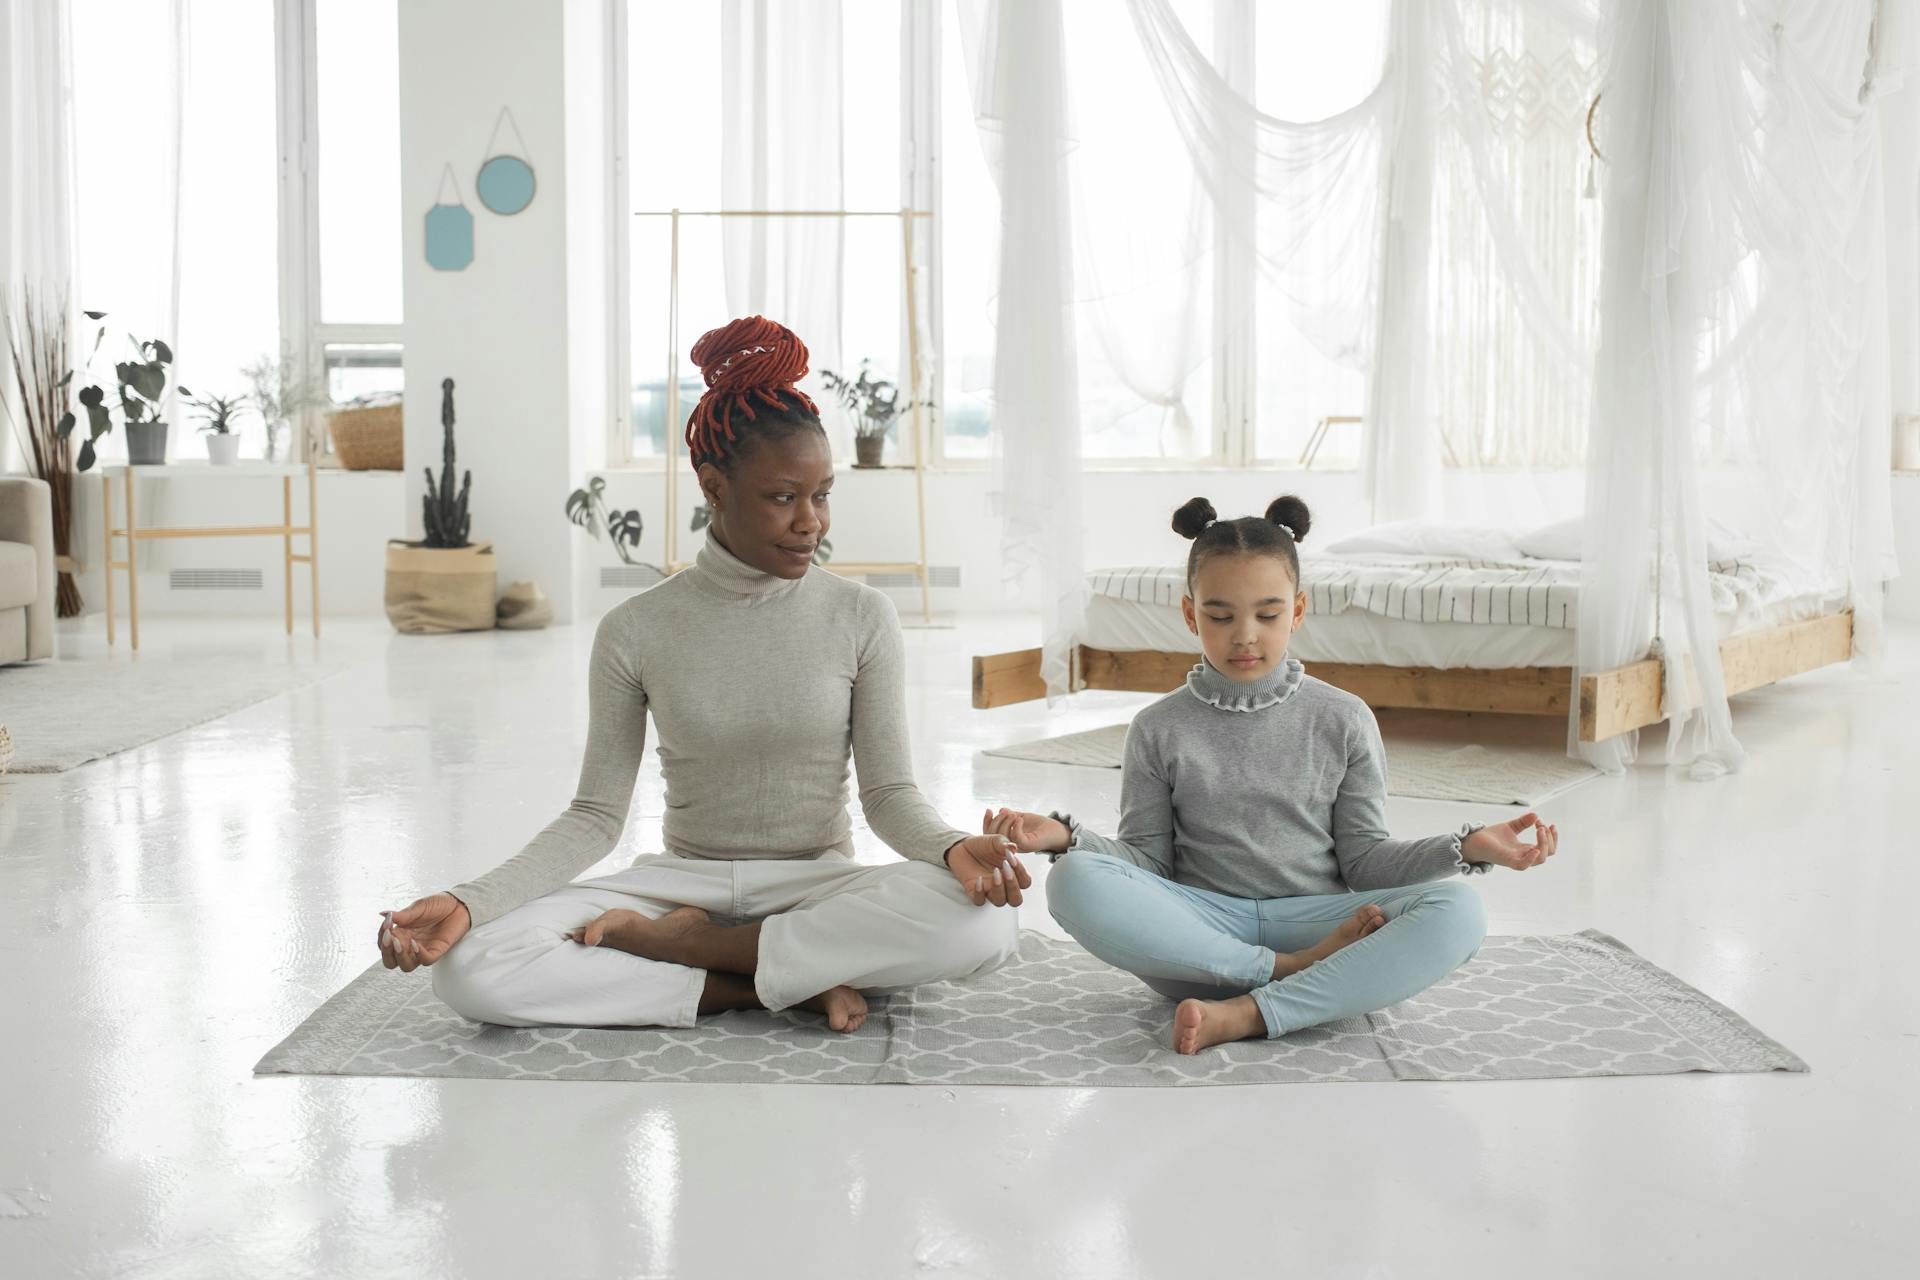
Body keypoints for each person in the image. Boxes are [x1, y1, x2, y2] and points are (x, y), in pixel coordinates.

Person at [375, 316, 1028, 1033]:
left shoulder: (861, 615)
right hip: (679, 882)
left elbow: (889, 795)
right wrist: (470, 901)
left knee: (985, 927)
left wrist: (952, 848)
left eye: (822, 495)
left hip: (814, 883)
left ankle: (698, 955)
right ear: (714, 487)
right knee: (472, 970)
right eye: (783, 497)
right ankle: (753, 984)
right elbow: (594, 817)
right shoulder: (636, 630)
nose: (811, 521)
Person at [987, 495, 1559, 1054]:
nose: (1245, 635)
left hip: (1321, 925)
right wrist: (1066, 839)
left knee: (1459, 910)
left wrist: (1465, 846)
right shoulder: (1157, 728)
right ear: (1190, 614)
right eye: (1220, 615)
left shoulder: (1344, 718)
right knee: (1074, 878)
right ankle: (1291, 977)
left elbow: (1365, 860)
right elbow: (1149, 863)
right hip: (1203, 943)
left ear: (1299, 610)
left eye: (1268, 614)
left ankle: (1247, 1014)